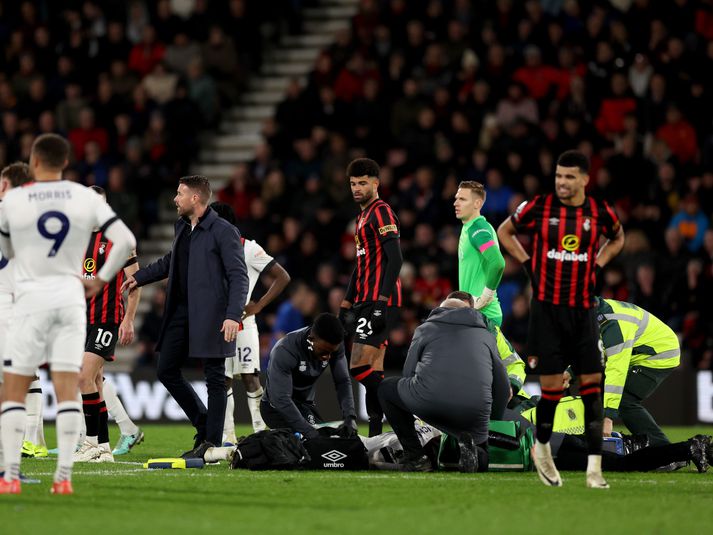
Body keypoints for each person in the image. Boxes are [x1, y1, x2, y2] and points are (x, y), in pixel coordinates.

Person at [0, 133, 136, 495]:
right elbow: (124, 240)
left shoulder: (18, 200)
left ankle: (11, 473)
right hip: (73, 306)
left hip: (30, 302)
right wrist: (101, 280)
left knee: (15, 385)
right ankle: (65, 477)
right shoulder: (81, 197)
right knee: (69, 384)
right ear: (65, 162)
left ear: (35, 161)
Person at [498, 149, 625, 489]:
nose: (562, 183)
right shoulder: (539, 207)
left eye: (569, 177)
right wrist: (528, 265)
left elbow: (618, 237)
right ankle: (542, 449)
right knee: (552, 390)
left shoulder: (598, 212)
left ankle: (594, 469)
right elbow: (504, 231)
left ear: (584, 179)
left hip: (583, 311)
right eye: (558, 177)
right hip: (547, 312)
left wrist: (597, 264)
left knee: (592, 390)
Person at [122, 175, 248, 458]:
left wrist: (232, 315)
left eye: (179, 194)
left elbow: (238, 276)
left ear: (195, 198)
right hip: (180, 311)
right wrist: (139, 278)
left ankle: (211, 443)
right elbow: (171, 261)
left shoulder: (223, 230)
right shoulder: (182, 226)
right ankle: (204, 423)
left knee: (215, 377)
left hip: (214, 315)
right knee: (166, 369)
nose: (175, 199)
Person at [378, 298, 510, 472]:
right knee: (482, 454)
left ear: (440, 311)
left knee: (386, 388)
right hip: (474, 411)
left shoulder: (425, 329)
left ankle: (417, 457)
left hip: (430, 402)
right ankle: (476, 452)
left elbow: (408, 373)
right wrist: (490, 422)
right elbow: (502, 386)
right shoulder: (486, 335)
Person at [210, 201, 291, 440]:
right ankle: (228, 438)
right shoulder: (209, 249)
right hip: (218, 324)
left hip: (244, 323)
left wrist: (259, 305)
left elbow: (282, 276)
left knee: (250, 377)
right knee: (223, 380)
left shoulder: (250, 248)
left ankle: (261, 432)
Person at [74, 185, 142, 463]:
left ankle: (91, 442)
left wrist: (128, 319)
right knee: (97, 383)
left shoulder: (119, 239)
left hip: (107, 318)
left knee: (83, 377)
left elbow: (135, 283)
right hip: (82, 319)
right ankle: (102, 447)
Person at [339, 158, 403, 437]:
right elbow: (361, 263)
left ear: (376, 183)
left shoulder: (382, 212)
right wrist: (346, 301)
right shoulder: (361, 217)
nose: (356, 188)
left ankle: (404, 408)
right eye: (353, 183)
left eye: (362, 183)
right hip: (364, 299)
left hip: (380, 301)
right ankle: (376, 436)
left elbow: (396, 259)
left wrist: (381, 301)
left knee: (358, 366)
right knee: (373, 370)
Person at [595, 297, 681, 446]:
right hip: (647, 349)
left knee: (623, 401)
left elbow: (617, 369)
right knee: (609, 393)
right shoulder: (599, 311)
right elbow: (596, 351)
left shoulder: (612, 325)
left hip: (660, 354)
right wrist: (571, 372)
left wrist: (608, 418)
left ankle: (663, 451)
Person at [260, 313, 357, 439]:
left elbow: (343, 381)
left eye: (331, 353)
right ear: (311, 339)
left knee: (331, 441)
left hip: (304, 405)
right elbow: (281, 399)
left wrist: (350, 417)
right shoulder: (285, 350)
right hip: (275, 409)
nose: (327, 357)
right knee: (308, 446)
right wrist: (310, 433)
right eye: (324, 352)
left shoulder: (334, 345)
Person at [454, 181, 506, 325]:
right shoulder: (469, 227)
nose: (456, 203)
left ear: (477, 204)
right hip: (474, 314)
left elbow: (498, 263)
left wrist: (484, 298)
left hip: (484, 315)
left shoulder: (478, 229)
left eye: (462, 199)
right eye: (456, 198)